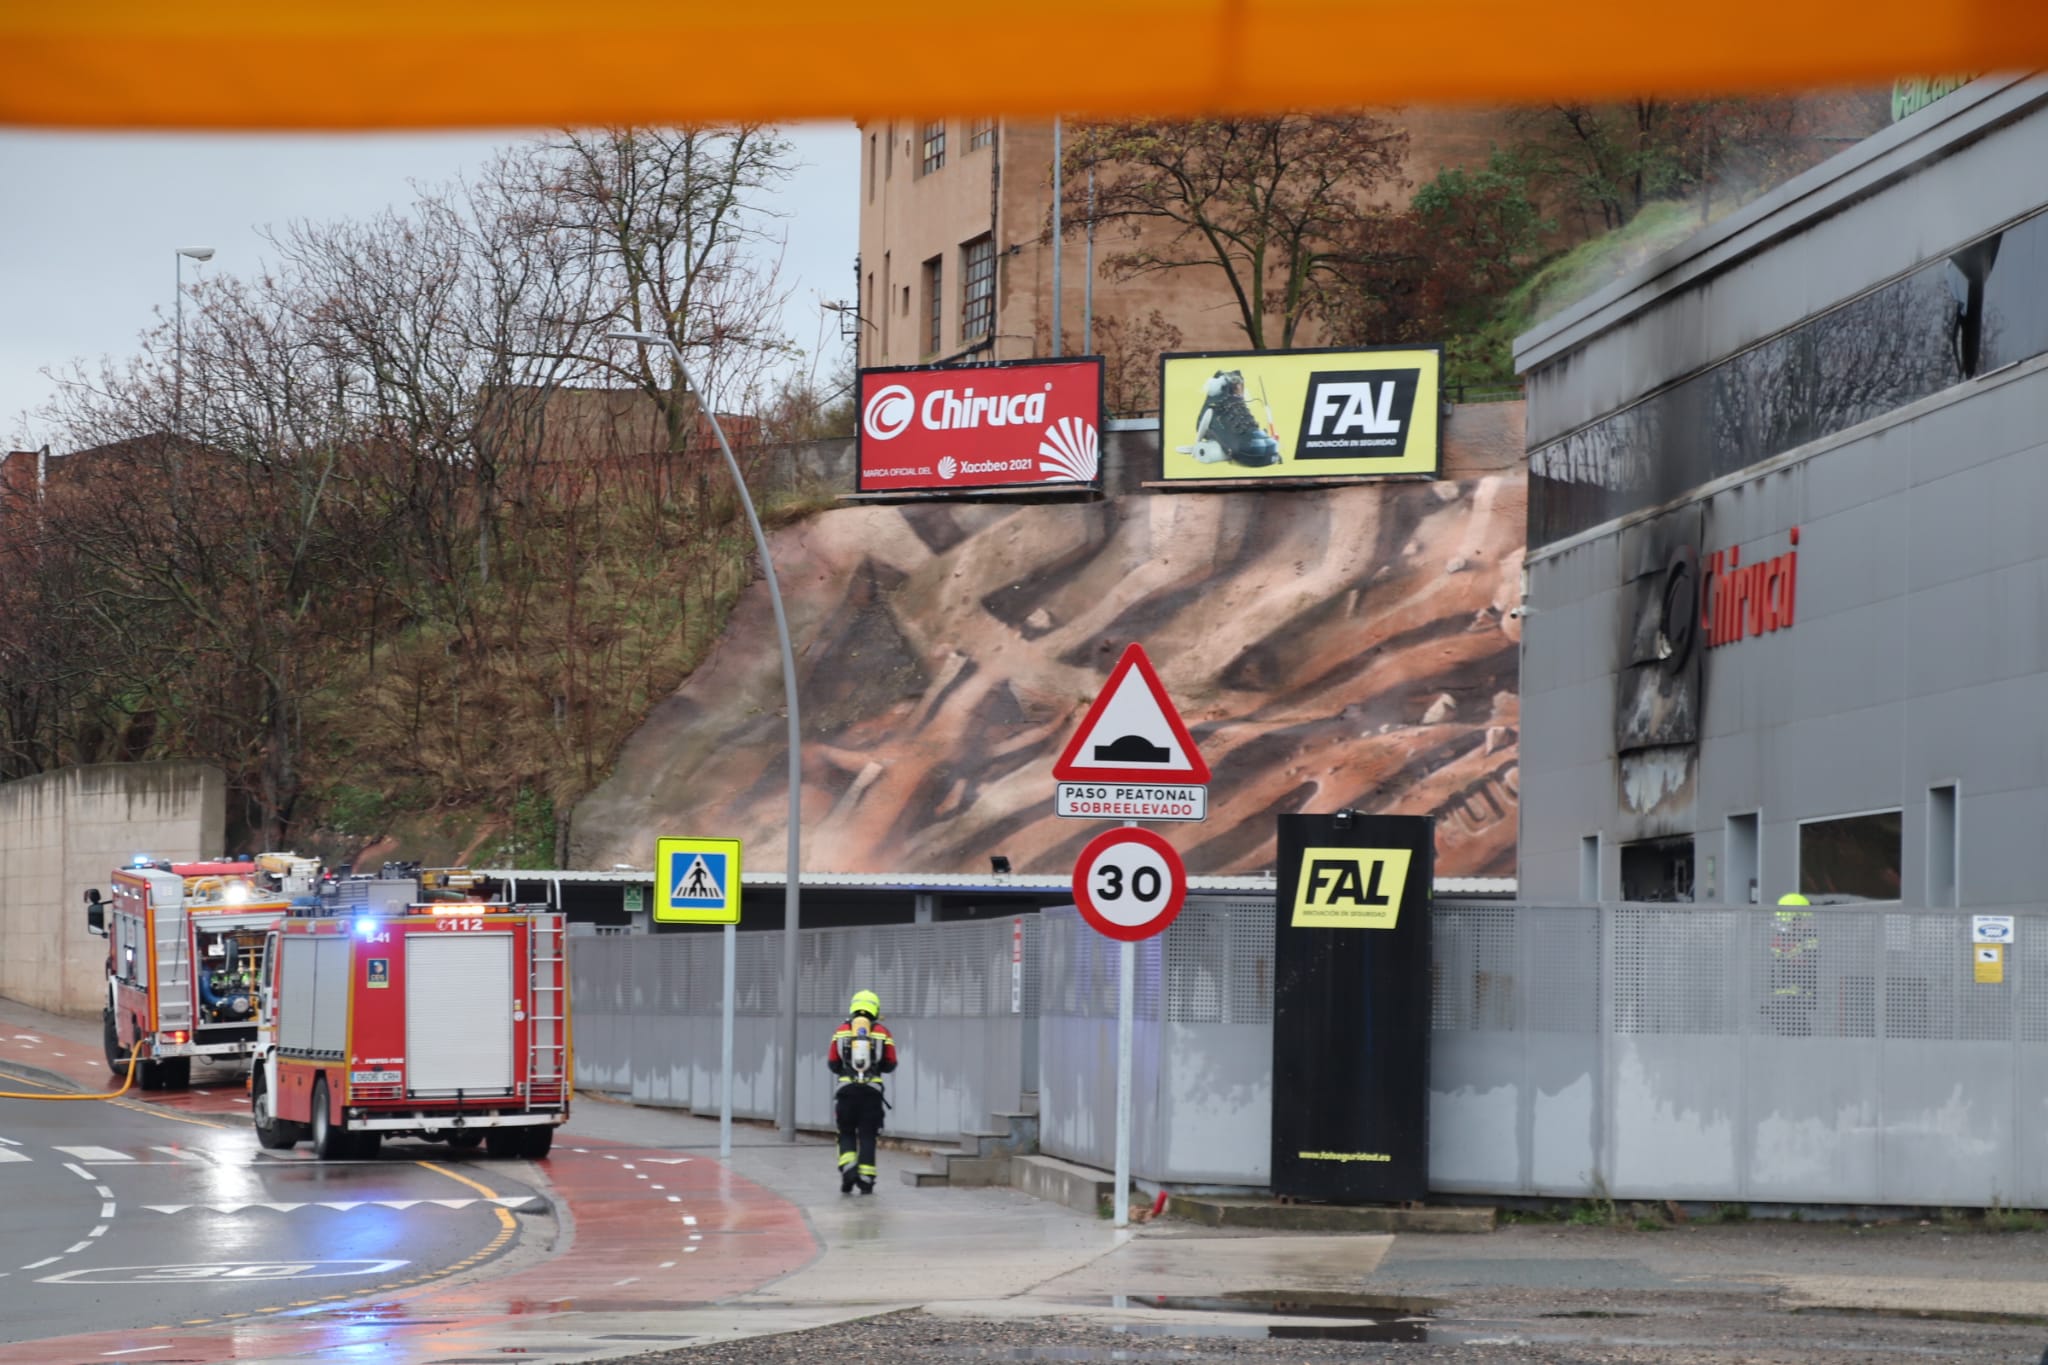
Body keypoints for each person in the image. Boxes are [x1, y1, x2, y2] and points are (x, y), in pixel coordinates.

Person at [827, 989, 897, 1194]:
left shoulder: (841, 1030)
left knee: (846, 1131)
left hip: (846, 1092)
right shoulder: (882, 1032)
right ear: (875, 1008)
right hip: (872, 1093)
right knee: (868, 1135)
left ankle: (848, 1170)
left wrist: (845, 1071)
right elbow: (891, 1063)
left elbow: (832, 1063)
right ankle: (866, 1180)